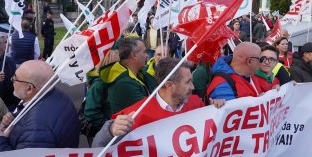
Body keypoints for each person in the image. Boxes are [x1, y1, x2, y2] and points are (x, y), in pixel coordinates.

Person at [92, 57, 225, 147]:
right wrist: (110, 130)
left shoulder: (196, 104)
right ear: (169, 86)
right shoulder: (136, 114)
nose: (193, 87)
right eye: (188, 82)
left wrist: (216, 111)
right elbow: (98, 148)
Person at [0, 60, 80, 151]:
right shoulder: (55, 94)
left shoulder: (36, 128)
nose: (12, 80)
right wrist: (16, 117)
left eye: (15, 78)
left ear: (29, 89)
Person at [99, 37, 155, 114]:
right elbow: (150, 109)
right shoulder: (124, 84)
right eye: (144, 52)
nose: (146, 56)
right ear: (134, 55)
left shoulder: (137, 73)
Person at [83, 50, 120, 144]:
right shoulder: (99, 85)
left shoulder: (113, 81)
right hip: (100, 132)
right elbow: (90, 112)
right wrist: (108, 126)